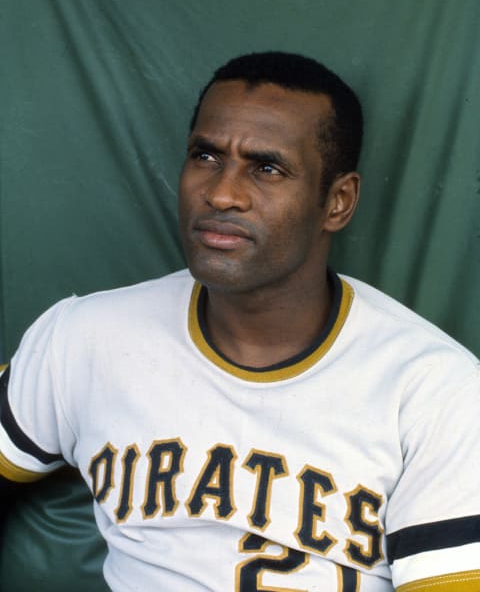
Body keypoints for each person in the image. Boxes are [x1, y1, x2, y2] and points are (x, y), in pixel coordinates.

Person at [0, 51, 479, 592]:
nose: (222, 193)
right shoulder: (82, 337)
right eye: (205, 156)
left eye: (267, 168)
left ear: (338, 202)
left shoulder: (438, 392)